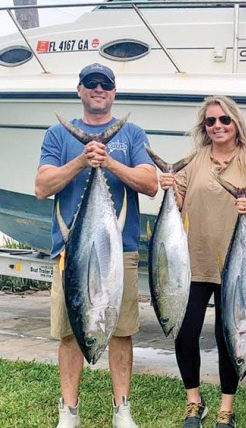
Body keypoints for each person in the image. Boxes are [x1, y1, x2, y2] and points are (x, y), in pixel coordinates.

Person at [34, 63, 158, 428]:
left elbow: (150, 184)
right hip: (70, 254)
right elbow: (42, 187)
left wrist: (108, 162)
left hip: (120, 251)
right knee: (71, 333)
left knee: (121, 332)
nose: (99, 89)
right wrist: (81, 160)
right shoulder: (58, 134)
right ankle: (68, 412)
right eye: (92, 84)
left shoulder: (132, 133)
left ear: (114, 92)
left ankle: (122, 410)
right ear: (80, 90)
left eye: (105, 85)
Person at [159, 95, 246, 428]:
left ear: (236, 123)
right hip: (192, 263)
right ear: (204, 127)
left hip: (238, 268)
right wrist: (167, 184)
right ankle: (194, 401)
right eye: (211, 121)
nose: (218, 126)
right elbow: (178, 201)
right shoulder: (193, 160)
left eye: (224, 120)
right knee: (185, 332)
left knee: (230, 336)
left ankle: (227, 407)